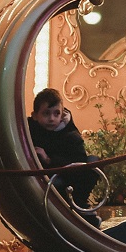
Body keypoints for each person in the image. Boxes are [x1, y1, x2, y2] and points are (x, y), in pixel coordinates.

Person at [28, 87, 97, 219]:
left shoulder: (71, 136)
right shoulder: (29, 132)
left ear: (62, 114)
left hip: (69, 180)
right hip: (43, 183)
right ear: (35, 115)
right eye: (46, 113)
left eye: (56, 113)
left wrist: (49, 159)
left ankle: (80, 206)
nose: (52, 118)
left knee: (93, 162)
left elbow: (77, 164)